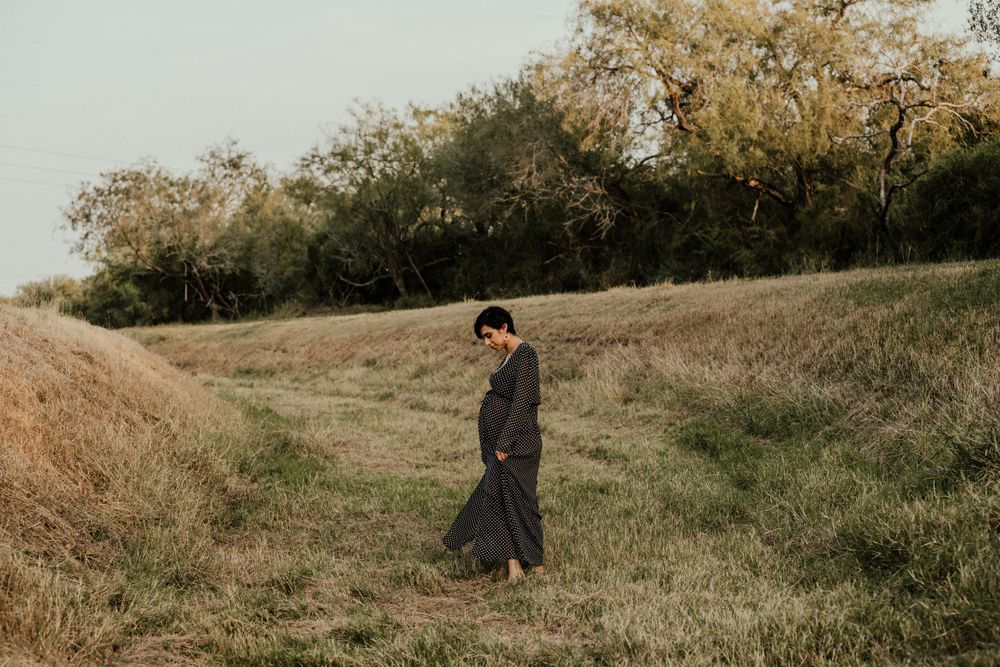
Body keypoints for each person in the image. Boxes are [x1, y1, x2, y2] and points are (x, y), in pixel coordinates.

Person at [443, 305, 545, 581]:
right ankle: (514, 565)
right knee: (498, 498)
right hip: (502, 442)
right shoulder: (509, 357)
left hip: (518, 444)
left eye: (489, 335)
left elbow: (522, 403)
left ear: (504, 327)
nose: (487, 343)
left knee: (521, 502)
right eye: (483, 339)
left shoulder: (526, 354)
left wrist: (505, 442)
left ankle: (535, 563)